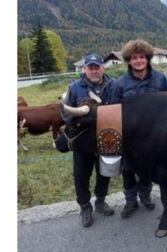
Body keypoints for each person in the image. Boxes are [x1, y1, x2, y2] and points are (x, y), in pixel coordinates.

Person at [111, 39, 167, 218]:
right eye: (134, 58)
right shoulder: (120, 84)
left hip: (154, 135)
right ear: (128, 60)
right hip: (129, 136)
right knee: (128, 169)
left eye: (142, 57)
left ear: (147, 58)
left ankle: (145, 195)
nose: (138, 61)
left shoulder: (160, 79)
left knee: (148, 168)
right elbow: (113, 110)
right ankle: (130, 201)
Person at [61, 53, 117, 227]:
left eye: (97, 67)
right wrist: (84, 118)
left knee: (105, 172)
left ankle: (100, 201)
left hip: (106, 139)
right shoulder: (75, 87)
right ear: (84, 69)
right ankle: (85, 207)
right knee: (81, 175)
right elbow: (64, 114)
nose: (94, 71)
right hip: (83, 141)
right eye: (90, 67)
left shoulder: (114, 85)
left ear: (103, 68)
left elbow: (121, 108)